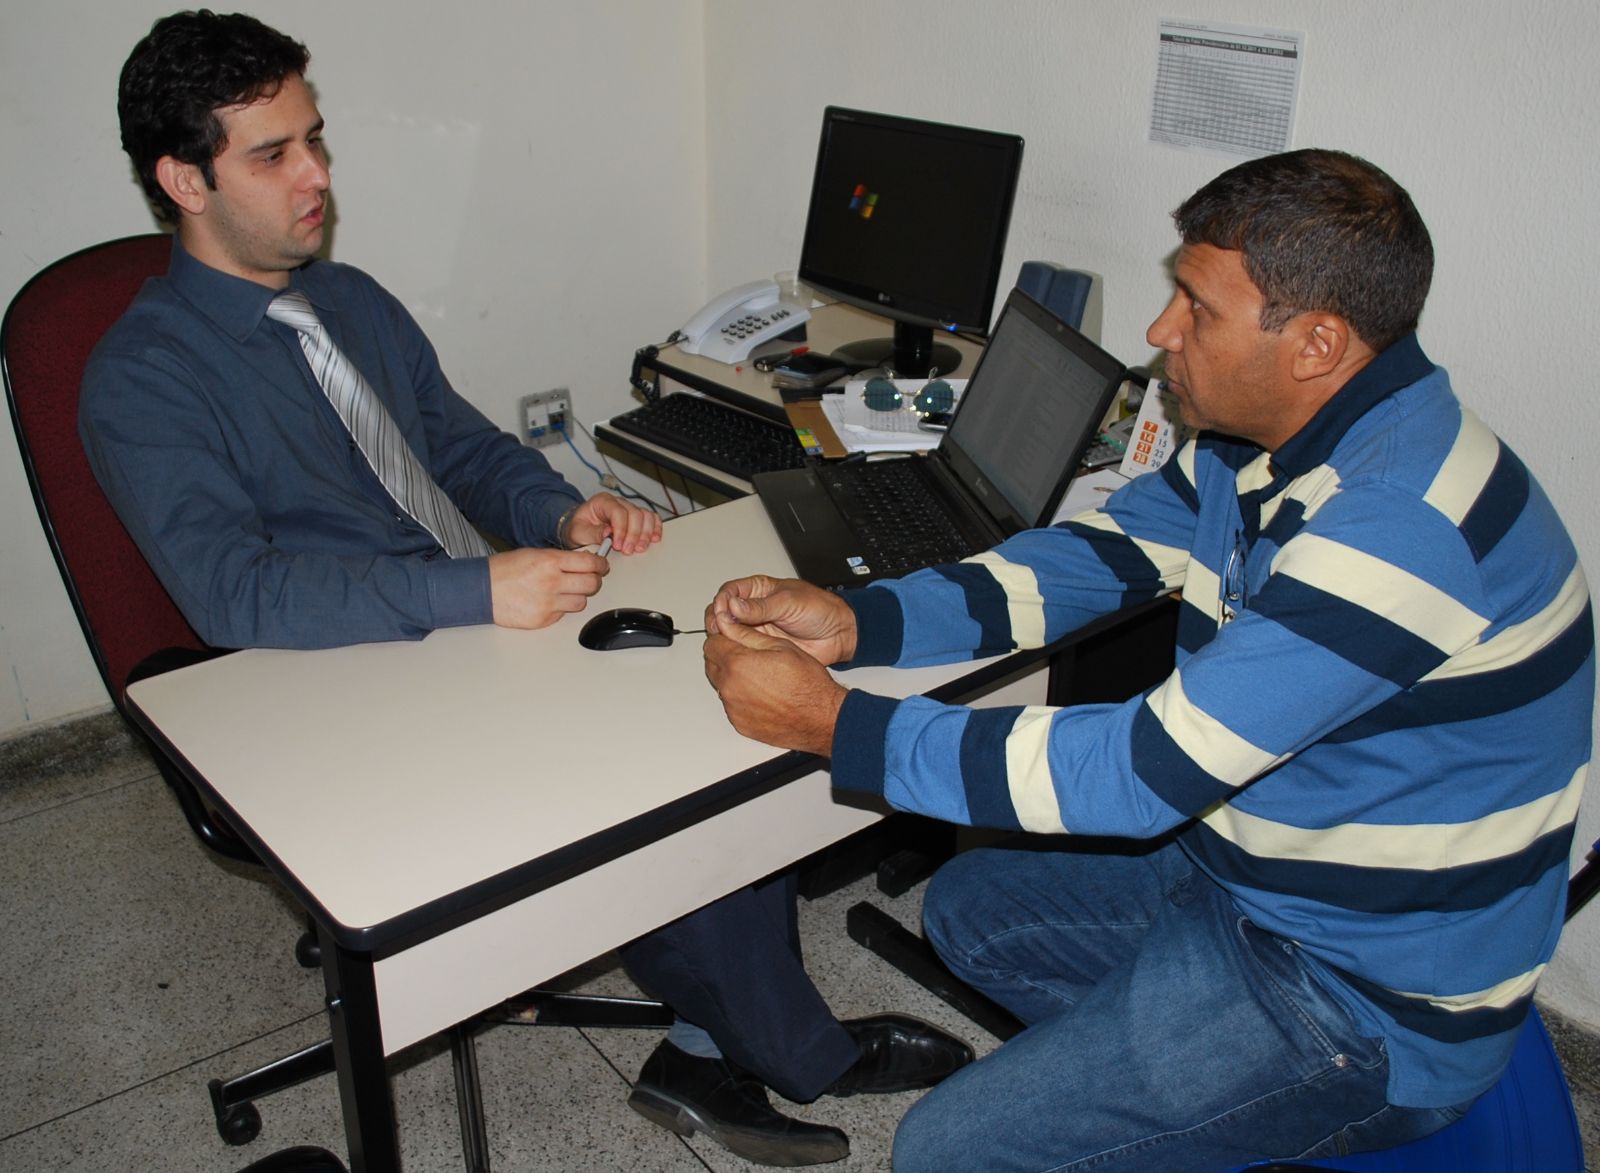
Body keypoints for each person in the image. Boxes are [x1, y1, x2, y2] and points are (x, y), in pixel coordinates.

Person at [82, 11, 970, 1166]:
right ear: (180, 179)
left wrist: (558, 508)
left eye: (316, 139)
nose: (318, 176)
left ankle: (708, 1033)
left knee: (726, 697)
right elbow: (234, 597)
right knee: (660, 770)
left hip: (489, 617)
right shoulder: (143, 378)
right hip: (357, 668)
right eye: (274, 154)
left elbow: (458, 449)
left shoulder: (344, 301)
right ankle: (789, 1051)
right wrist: (473, 592)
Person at [702, 148, 1594, 1171]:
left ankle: (1225, 1102)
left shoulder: (1396, 533)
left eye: (1196, 307)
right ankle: (1179, 1104)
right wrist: (862, 625)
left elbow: (1136, 775)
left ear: (1315, 344)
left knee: (948, 1152)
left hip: (1357, 996)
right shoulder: (1260, 442)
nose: (1159, 332)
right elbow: (1095, 557)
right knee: (968, 914)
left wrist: (833, 726)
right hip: (1244, 880)